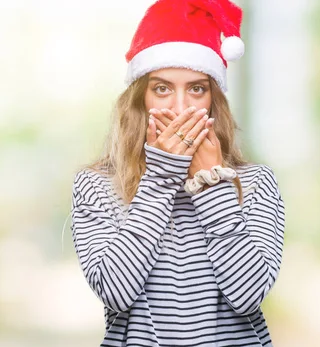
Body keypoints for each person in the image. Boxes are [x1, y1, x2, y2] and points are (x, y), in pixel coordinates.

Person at [69, 0, 286, 346]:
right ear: (140, 101)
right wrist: (161, 178)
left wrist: (212, 183)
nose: (180, 108)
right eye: (162, 88)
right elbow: (114, 292)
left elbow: (248, 296)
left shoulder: (256, 183)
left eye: (197, 89)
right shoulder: (97, 186)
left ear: (214, 100)